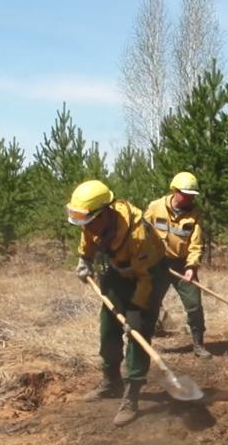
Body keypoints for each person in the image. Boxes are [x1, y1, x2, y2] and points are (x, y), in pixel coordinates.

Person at [68, 180, 167, 426]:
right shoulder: (92, 221)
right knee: (108, 328)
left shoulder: (137, 234)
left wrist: (138, 310)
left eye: (89, 221)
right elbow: (88, 240)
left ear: (105, 213)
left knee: (137, 331)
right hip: (118, 272)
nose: (86, 226)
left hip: (149, 277)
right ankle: (111, 381)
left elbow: (146, 280)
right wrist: (85, 260)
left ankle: (132, 394)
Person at [144, 172, 212, 359]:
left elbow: (196, 245)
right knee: (149, 304)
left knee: (194, 305)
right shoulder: (155, 207)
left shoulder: (195, 214)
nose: (190, 198)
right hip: (157, 264)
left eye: (192, 195)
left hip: (182, 265)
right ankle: (144, 345)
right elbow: (141, 232)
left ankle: (198, 344)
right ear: (175, 191)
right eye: (186, 194)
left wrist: (191, 267)